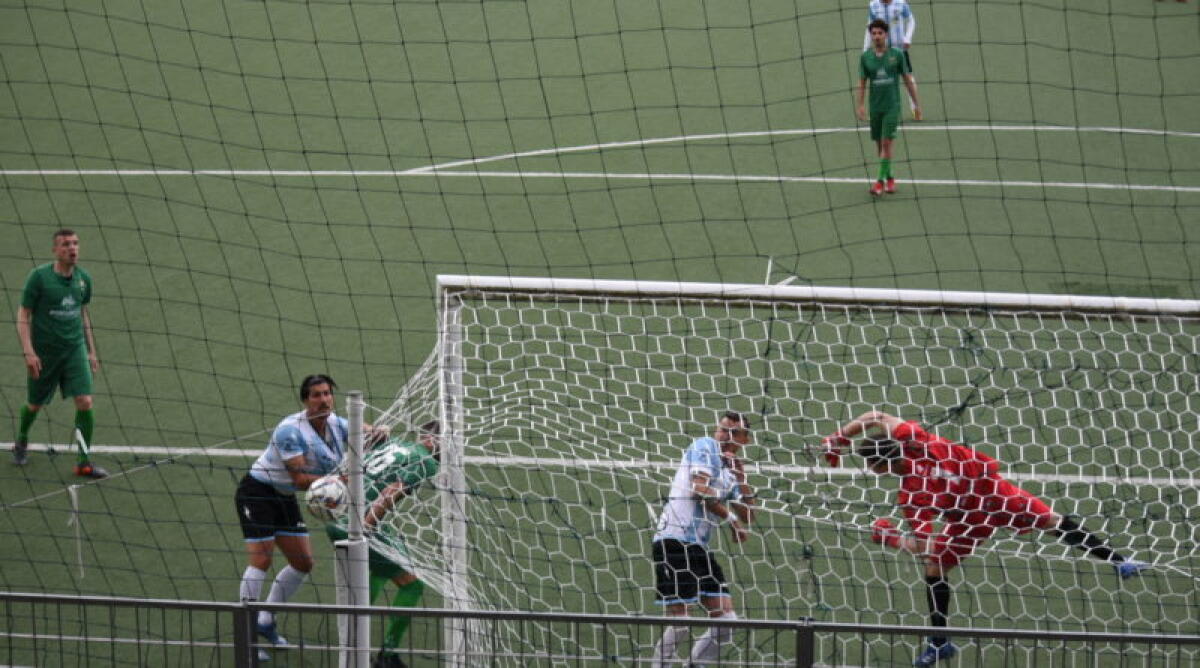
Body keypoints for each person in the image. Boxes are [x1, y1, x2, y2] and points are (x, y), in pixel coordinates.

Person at [822, 410, 1151, 667]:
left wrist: (892, 539)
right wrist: (840, 437)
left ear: (879, 467)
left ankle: (939, 641)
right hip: (995, 494)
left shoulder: (913, 496)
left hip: (969, 519)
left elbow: (927, 547)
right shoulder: (917, 439)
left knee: (935, 567)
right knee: (1054, 521)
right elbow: (876, 416)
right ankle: (1120, 562)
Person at [233, 374, 386, 653]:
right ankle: (245, 633)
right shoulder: (289, 431)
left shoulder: (337, 424)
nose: (323, 399)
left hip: (284, 497)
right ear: (305, 400)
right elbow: (301, 479)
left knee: (303, 563)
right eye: (316, 395)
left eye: (327, 393)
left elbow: (367, 431)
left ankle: (265, 620)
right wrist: (341, 481)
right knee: (261, 559)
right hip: (258, 493)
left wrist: (379, 433)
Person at [324, 420, 441, 668]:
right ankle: (387, 656)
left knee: (392, 550)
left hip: (340, 516)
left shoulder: (397, 444)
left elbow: (355, 468)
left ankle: (356, 638)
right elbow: (390, 492)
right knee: (413, 584)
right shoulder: (425, 461)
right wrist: (363, 530)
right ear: (431, 440)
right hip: (357, 524)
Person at [650, 412, 757, 668]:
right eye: (722, 430)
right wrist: (731, 519)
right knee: (681, 623)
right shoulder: (704, 446)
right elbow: (699, 490)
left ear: (744, 439)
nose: (724, 436)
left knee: (726, 622)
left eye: (732, 433)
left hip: (698, 548)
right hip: (674, 540)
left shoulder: (729, 471)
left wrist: (741, 479)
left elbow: (751, 514)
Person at [14, 229, 106, 477]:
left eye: (75, 243)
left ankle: (83, 462)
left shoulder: (83, 279)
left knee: (85, 401)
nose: (72, 248)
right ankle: (21, 440)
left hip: (74, 351)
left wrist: (91, 351)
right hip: (45, 354)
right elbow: (23, 314)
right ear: (55, 250)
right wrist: (28, 352)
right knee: (34, 404)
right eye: (66, 244)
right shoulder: (39, 278)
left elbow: (82, 312)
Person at [857, 19, 921, 197]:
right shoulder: (865, 58)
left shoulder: (897, 55)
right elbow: (862, 83)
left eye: (880, 33)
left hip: (892, 107)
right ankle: (890, 177)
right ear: (871, 36)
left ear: (886, 35)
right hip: (875, 108)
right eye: (874, 33)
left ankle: (878, 183)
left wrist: (915, 102)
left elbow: (907, 79)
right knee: (880, 147)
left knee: (886, 143)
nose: (876, 36)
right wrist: (860, 105)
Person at [862, 0, 920, 120]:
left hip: (899, 50)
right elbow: (869, 27)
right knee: (878, 80)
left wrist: (908, 38)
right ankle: (874, 111)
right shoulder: (874, 5)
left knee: (908, 78)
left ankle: (915, 107)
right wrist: (865, 49)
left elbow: (911, 21)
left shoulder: (901, 3)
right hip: (881, 51)